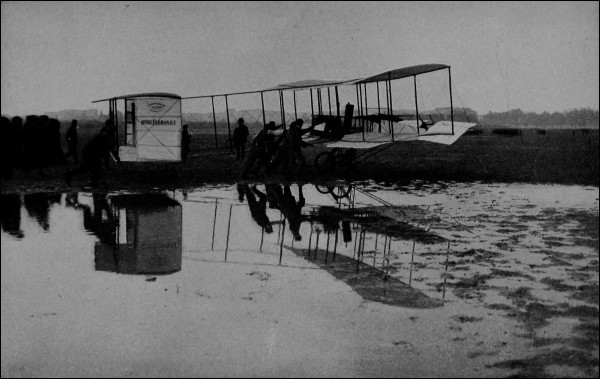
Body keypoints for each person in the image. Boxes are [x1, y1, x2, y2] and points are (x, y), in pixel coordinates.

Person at [65, 120, 116, 186]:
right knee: (90, 168)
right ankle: (69, 175)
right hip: (90, 152)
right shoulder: (105, 137)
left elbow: (105, 150)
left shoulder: (105, 135)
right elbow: (104, 149)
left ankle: (93, 182)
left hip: (90, 152)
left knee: (90, 168)